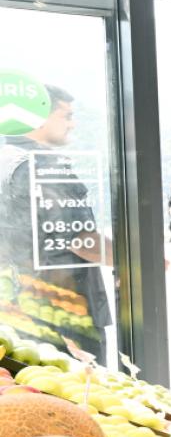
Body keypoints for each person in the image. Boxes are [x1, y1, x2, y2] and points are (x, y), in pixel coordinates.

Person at [0, 86, 113, 365]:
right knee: (82, 386)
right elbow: (81, 240)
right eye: (66, 116)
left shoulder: (5, 160)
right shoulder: (43, 165)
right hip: (66, 312)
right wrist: (137, 261)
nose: (72, 124)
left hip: (20, 309)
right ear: (38, 117)